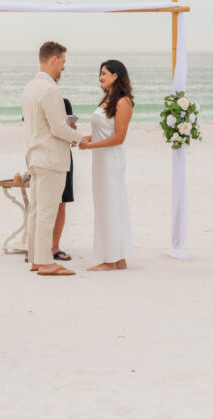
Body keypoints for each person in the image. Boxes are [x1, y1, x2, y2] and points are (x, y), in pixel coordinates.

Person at [21, 41, 83, 276]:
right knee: (47, 212)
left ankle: (37, 259)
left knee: (37, 212)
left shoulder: (30, 88)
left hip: (35, 156)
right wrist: (81, 139)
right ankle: (46, 262)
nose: (64, 67)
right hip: (50, 159)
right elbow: (58, 128)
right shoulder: (50, 90)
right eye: (64, 62)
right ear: (54, 59)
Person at [79, 60, 134, 271]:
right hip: (101, 159)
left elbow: (119, 137)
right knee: (106, 206)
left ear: (116, 75)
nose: (100, 77)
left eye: (104, 73)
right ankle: (118, 258)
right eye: (100, 73)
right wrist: (83, 138)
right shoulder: (108, 99)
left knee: (111, 206)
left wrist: (90, 145)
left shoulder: (123, 102)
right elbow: (104, 132)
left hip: (111, 160)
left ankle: (111, 260)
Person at [50, 96, 76, 262]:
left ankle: (54, 247)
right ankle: (35, 247)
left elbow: (70, 132)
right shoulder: (37, 100)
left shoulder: (64, 103)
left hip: (64, 155)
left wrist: (72, 130)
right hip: (43, 154)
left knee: (61, 202)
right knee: (41, 203)